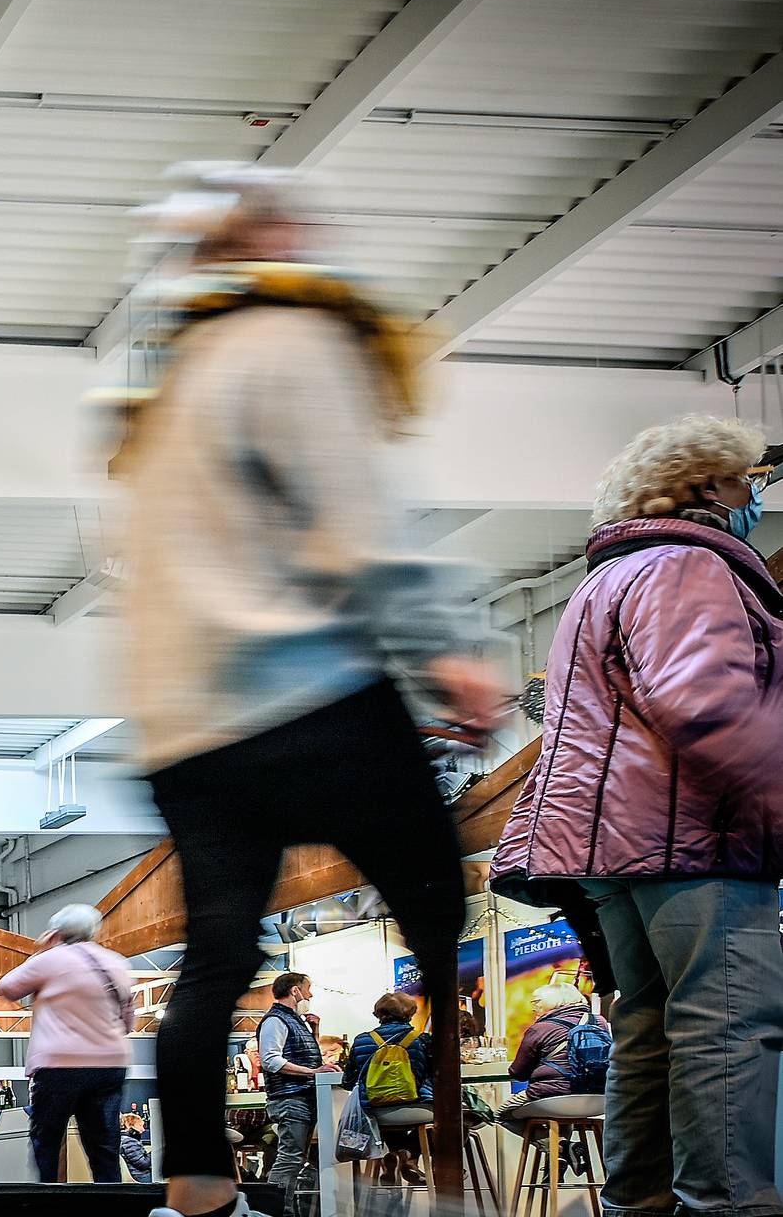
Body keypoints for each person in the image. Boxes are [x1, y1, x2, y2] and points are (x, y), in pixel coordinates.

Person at [111, 166, 499, 1217]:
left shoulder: (163, 392)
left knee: (218, 953)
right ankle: (457, 1171)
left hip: (184, 726)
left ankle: (194, 1190)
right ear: (271, 237)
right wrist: (448, 649)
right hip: (307, 687)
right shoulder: (290, 336)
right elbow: (353, 517)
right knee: (434, 897)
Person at [491, 412, 783, 1217]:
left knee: (649, 1031)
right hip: (694, 840)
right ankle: (725, 1207)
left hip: (611, 849)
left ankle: (641, 1203)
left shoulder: (602, 582)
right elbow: (707, 703)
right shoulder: (688, 567)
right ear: (707, 487)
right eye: (749, 479)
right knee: (729, 1029)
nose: (757, 493)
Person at [0, 903, 134, 1183]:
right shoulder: (117, 962)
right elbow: (128, 1022)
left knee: (46, 1142)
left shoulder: (51, 960)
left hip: (60, 1065)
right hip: (110, 1064)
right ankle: (115, 1206)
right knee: (104, 1147)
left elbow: (7, 987)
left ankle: (47, 1205)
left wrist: (43, 950)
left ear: (57, 932)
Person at [252, 972, 335, 1200]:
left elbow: (302, 1056)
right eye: (307, 989)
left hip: (300, 1098)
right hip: (290, 1099)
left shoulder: (292, 1020)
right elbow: (270, 1060)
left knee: (294, 1159)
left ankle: (280, 1207)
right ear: (295, 991)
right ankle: (274, 1208)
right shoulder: (275, 1021)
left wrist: (314, 1032)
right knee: (289, 1159)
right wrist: (313, 1072)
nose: (310, 994)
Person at [344, 993, 435, 1186]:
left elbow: (348, 1081)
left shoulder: (361, 1041)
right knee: (450, 1120)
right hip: (417, 1109)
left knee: (382, 1114)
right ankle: (408, 1156)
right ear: (410, 1014)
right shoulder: (422, 1040)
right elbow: (438, 1075)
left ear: (378, 1014)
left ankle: (393, 1156)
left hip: (375, 1112)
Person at [502, 981, 596, 1108]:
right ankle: (554, 1127)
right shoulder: (598, 1021)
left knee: (500, 1114)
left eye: (537, 1002)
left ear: (550, 1002)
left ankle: (540, 1127)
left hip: (550, 1095)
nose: (534, 1008)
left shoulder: (541, 1028)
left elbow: (518, 1073)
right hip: (596, 1097)